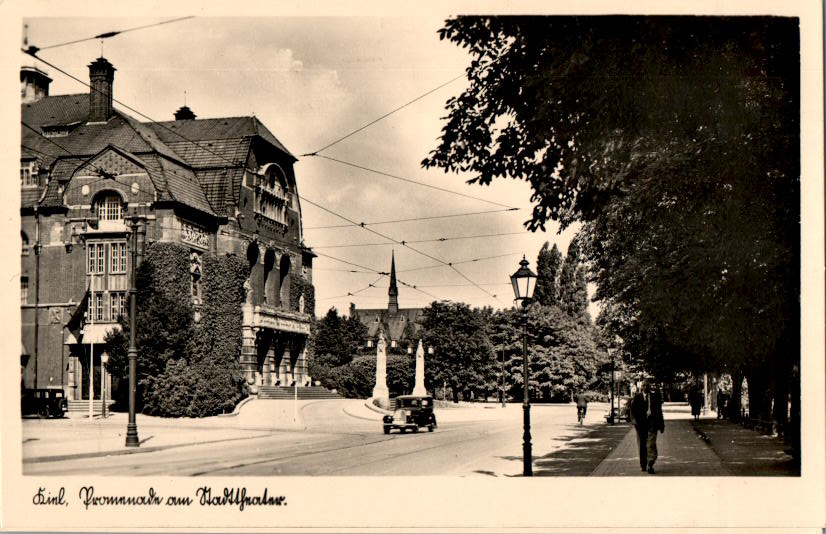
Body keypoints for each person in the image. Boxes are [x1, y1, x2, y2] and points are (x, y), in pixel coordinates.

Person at [629, 384, 649, 472]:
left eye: (648, 386)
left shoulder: (652, 396)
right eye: (645, 386)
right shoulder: (637, 397)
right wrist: (633, 420)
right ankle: (643, 464)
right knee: (642, 443)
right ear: (642, 387)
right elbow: (632, 409)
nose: (646, 388)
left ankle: (650, 461)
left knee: (650, 443)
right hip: (640, 424)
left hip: (651, 424)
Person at [646, 385, 665, 474]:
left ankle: (650, 463)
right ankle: (645, 463)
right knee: (645, 444)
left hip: (652, 425)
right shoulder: (641, 396)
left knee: (651, 443)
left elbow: (659, 412)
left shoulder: (656, 397)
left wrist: (662, 426)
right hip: (643, 425)